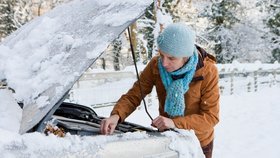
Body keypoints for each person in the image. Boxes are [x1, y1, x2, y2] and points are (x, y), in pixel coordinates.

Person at [100, 22, 220, 158]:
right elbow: (134, 95)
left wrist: (175, 123)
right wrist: (117, 115)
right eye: (161, 55)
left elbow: (211, 117)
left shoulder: (208, 71)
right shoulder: (156, 65)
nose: (164, 63)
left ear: (185, 57)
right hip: (168, 139)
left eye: (171, 58)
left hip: (198, 142)